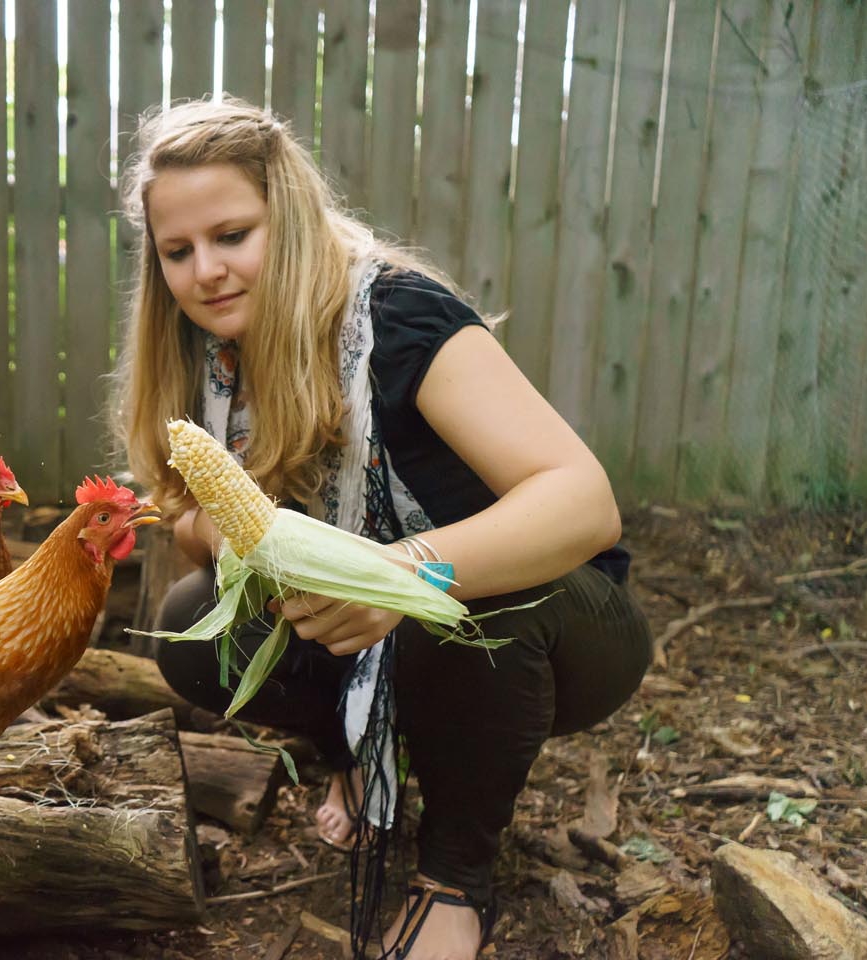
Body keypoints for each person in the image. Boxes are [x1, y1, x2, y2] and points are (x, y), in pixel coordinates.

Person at [111, 97, 652, 960]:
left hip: (548, 625)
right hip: (379, 628)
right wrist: (239, 540)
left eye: (232, 235)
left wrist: (395, 574)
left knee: (474, 614)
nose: (205, 270)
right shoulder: (204, 352)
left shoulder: (398, 320)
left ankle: (456, 879)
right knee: (191, 624)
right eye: (178, 251)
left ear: (285, 218)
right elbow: (183, 507)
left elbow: (585, 503)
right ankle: (355, 755)